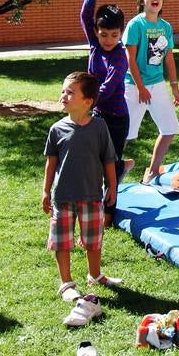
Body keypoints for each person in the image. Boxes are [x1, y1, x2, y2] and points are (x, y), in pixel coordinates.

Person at [42, 71, 119, 301]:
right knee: (62, 241)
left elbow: (108, 159)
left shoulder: (99, 127)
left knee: (93, 240)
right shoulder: (57, 129)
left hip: (92, 196)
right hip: (63, 196)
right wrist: (46, 190)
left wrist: (112, 187)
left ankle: (95, 275)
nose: (63, 95)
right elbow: (51, 163)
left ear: (87, 101)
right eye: (63, 91)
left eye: (70, 92)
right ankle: (66, 283)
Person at [80, 0, 134, 205]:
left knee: (110, 165)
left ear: (121, 33)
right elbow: (85, 16)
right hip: (98, 113)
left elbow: (108, 89)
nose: (108, 40)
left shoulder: (120, 57)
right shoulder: (95, 45)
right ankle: (121, 167)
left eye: (114, 35)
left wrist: (84, 103)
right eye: (103, 35)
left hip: (116, 118)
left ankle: (110, 208)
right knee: (97, 158)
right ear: (96, 33)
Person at [123, 0, 179, 183]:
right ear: (141, 0)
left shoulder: (166, 27)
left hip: (157, 84)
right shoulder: (135, 25)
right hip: (133, 86)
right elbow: (130, 59)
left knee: (170, 129)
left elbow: (169, 57)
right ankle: (110, 171)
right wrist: (140, 87)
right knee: (125, 134)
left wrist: (174, 87)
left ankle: (153, 170)